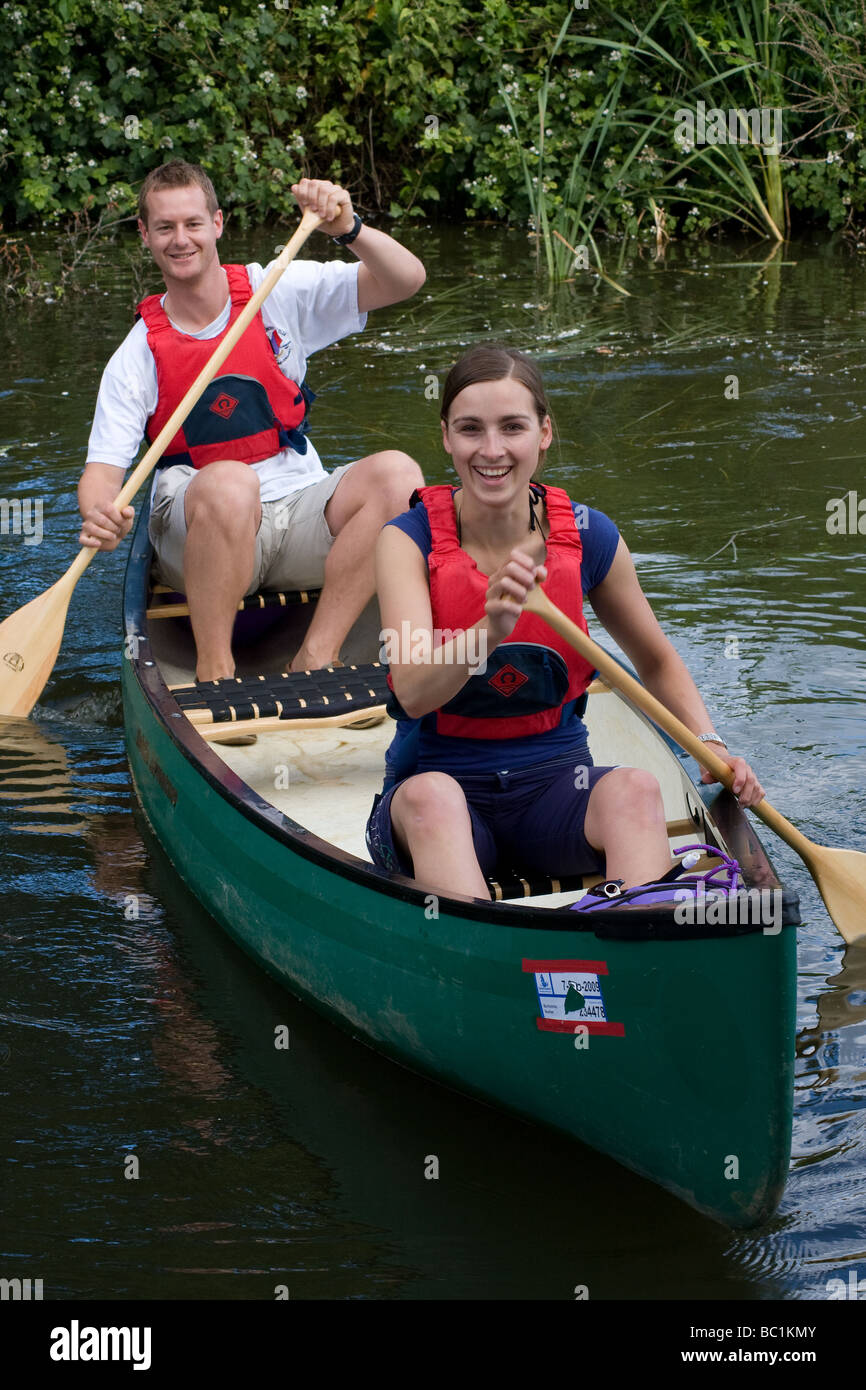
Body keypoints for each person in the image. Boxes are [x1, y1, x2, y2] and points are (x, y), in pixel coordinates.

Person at [366, 345, 764, 902]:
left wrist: (709, 743)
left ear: (544, 433)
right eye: (471, 429)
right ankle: (485, 960)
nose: (492, 449)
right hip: (437, 795)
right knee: (432, 798)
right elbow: (410, 692)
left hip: (557, 790)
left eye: (513, 427)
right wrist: (490, 628)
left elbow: (655, 660)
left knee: (636, 788)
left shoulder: (590, 535)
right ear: (446, 438)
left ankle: (633, 931)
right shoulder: (407, 539)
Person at [78, 160, 426, 680]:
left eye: (193, 224)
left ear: (217, 224)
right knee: (229, 483)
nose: (181, 240)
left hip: (296, 514)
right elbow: (101, 476)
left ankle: (316, 654)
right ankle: (214, 669)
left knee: (400, 476)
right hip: (203, 532)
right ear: (144, 235)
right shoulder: (137, 357)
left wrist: (348, 230)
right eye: (166, 227)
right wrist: (99, 513)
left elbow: (405, 280)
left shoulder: (276, 290)